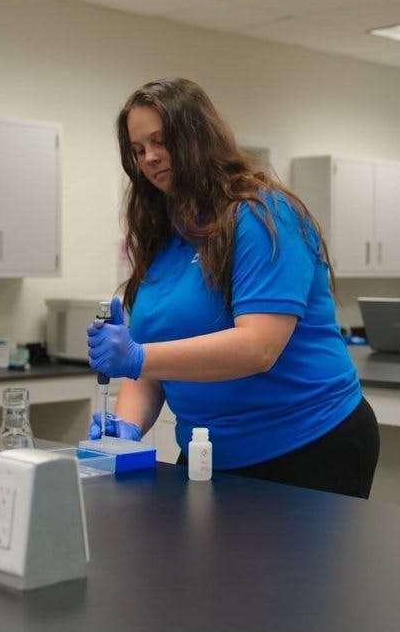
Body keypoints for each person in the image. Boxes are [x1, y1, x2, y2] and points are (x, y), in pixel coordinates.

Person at [86, 78, 379, 499]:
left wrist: (135, 356)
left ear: (196, 137)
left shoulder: (262, 215)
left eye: (160, 141)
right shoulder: (165, 233)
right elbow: (149, 367)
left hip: (307, 444)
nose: (149, 158)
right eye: (138, 149)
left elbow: (258, 347)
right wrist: (126, 427)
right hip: (211, 453)